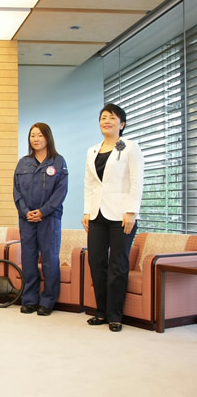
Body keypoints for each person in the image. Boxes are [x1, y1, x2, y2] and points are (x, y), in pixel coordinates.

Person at [82, 103, 144, 332]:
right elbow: (90, 183)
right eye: (103, 117)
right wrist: (87, 211)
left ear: (122, 124)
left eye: (112, 117)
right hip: (97, 214)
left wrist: (132, 212)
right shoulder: (92, 150)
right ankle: (101, 311)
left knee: (118, 264)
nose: (106, 121)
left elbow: (136, 181)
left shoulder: (130, 148)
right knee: (96, 262)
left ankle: (115, 315)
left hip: (121, 215)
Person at [14, 123, 68, 316]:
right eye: (32, 135)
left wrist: (43, 211)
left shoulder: (58, 161)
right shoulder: (23, 163)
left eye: (39, 135)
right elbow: (17, 191)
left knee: (49, 260)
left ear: (47, 137)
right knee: (28, 260)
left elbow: (61, 191)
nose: (35, 139)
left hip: (49, 218)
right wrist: (25, 211)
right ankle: (30, 300)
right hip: (27, 219)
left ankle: (47, 301)